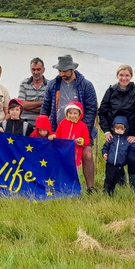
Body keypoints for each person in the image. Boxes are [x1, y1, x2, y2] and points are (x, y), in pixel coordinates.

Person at [40, 54, 98, 192]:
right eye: (60, 71)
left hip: (81, 132)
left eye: (65, 71)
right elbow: (46, 105)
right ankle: (55, 184)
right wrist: (43, 125)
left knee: (87, 154)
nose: (62, 73)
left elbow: (91, 109)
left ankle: (90, 187)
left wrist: (83, 129)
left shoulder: (86, 85)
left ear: (72, 69)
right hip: (58, 129)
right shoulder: (53, 84)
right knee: (55, 156)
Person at [98, 64, 135, 191]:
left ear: (131, 76)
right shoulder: (110, 91)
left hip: (130, 135)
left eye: (127, 75)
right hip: (114, 134)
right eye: (121, 75)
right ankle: (114, 184)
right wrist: (107, 131)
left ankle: (134, 187)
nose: (124, 78)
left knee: (132, 159)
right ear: (117, 76)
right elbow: (102, 112)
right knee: (113, 161)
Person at [102, 116, 135, 196]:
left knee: (115, 179)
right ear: (113, 128)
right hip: (110, 164)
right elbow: (105, 147)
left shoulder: (127, 140)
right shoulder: (111, 139)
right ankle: (106, 191)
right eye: (117, 128)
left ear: (125, 129)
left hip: (120, 165)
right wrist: (104, 153)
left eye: (121, 129)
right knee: (109, 178)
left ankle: (112, 192)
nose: (119, 130)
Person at [55, 101, 90, 167]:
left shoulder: (83, 126)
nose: (72, 115)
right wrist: (54, 136)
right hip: (62, 152)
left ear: (80, 114)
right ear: (66, 113)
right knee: (62, 172)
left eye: (75, 113)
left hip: (75, 155)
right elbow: (58, 134)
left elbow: (87, 140)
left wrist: (82, 141)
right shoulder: (63, 123)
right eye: (70, 113)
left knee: (73, 173)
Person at [18, 58, 48, 127]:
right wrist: (41, 102)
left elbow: (48, 109)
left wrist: (29, 105)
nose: (36, 72)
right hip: (25, 125)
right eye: (33, 69)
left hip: (42, 128)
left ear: (43, 70)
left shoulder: (50, 85)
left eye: (38, 69)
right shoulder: (24, 83)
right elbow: (22, 105)